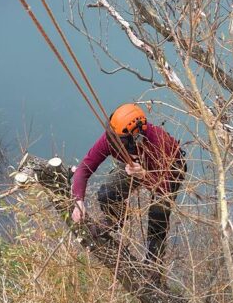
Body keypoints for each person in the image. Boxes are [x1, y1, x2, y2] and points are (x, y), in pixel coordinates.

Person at [71, 103, 186, 263]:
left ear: (136, 137)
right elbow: (84, 169)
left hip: (169, 168)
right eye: (112, 138)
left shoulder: (159, 143)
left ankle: (153, 264)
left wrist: (144, 175)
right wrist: (78, 200)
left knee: (158, 215)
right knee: (108, 193)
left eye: (119, 141)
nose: (113, 144)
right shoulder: (114, 137)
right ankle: (115, 218)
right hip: (134, 163)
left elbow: (164, 189)